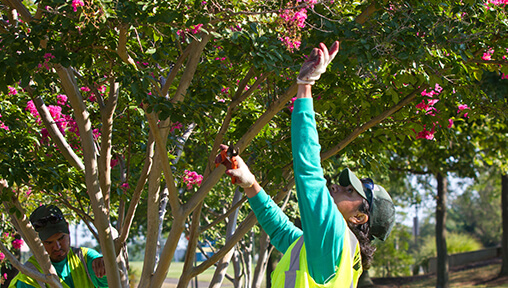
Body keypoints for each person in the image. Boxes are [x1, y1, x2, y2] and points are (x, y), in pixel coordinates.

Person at [216, 41, 396, 287]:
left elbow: (309, 173)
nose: (336, 187)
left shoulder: (334, 237)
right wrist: (251, 184)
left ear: (359, 218)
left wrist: (305, 87)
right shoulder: (331, 248)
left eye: (349, 191)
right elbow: (281, 231)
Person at [9, 205, 108, 288]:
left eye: (61, 238)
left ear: (68, 228)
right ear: (36, 242)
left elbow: (109, 282)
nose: (57, 247)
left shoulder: (86, 258)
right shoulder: (29, 276)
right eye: (49, 242)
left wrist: (105, 267)